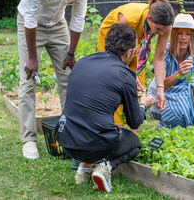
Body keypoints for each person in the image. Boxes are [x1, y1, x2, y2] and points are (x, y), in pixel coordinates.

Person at [55, 23, 153, 193]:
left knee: (96, 122)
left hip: (65, 140)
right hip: (94, 144)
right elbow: (134, 121)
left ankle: (83, 170)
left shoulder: (82, 62)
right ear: (129, 52)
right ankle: (106, 167)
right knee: (134, 143)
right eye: (135, 51)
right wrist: (143, 103)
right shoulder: (125, 74)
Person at [17, 0, 91, 159]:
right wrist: (33, 57)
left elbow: (78, 18)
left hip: (58, 24)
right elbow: (30, 18)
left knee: (69, 77)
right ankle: (29, 140)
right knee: (28, 79)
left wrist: (71, 52)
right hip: (30, 25)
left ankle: (69, 133)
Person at [97, 0, 175, 127]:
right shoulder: (127, 18)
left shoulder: (165, 26)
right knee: (116, 82)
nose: (161, 34)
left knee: (138, 86)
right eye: (158, 30)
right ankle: (117, 127)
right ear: (149, 18)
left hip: (136, 41)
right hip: (114, 39)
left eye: (164, 30)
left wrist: (160, 89)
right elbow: (117, 62)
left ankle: (134, 129)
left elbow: (159, 59)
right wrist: (128, 74)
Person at [147, 13, 194, 130]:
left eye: (188, 34)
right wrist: (178, 74)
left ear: (192, 37)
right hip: (164, 96)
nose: (183, 38)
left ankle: (189, 124)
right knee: (177, 111)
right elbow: (161, 86)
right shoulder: (164, 53)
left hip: (184, 98)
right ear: (173, 34)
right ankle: (177, 123)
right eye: (180, 33)